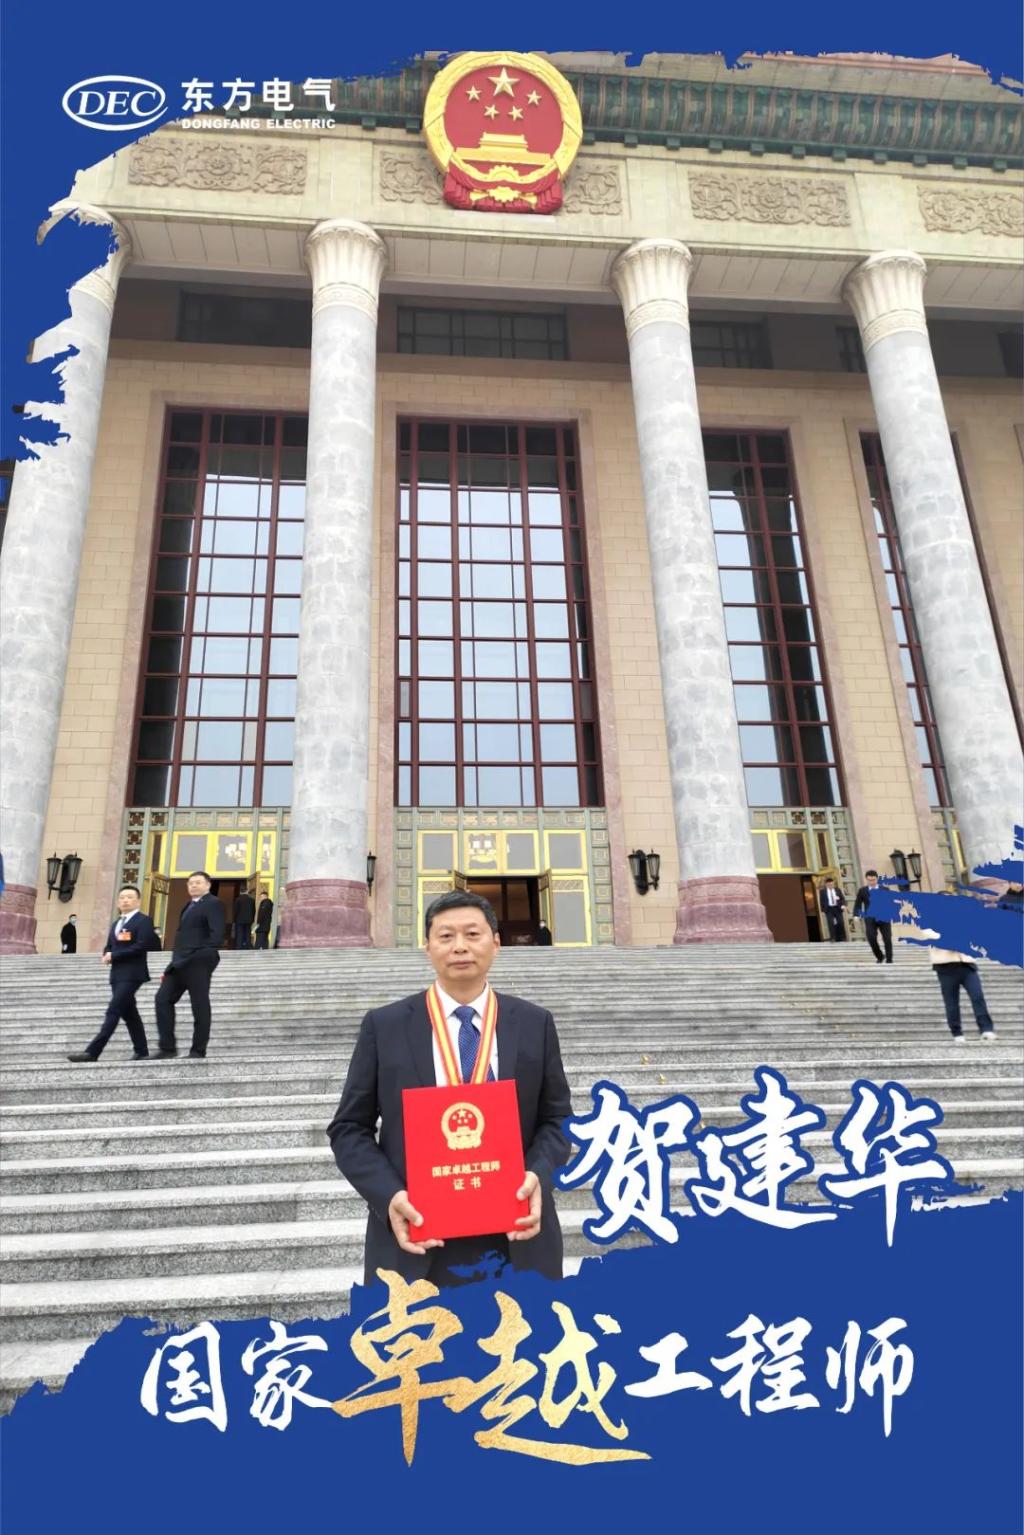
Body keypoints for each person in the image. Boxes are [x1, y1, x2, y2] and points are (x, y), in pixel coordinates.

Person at [327, 889, 572, 1289]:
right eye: (446, 936)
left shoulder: (533, 1023)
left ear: (496, 943)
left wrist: (537, 1174)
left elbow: (557, 1119)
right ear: (428, 946)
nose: (460, 946)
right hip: (417, 1238)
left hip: (516, 1239)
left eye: (472, 934)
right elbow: (349, 1128)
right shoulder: (385, 1026)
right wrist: (390, 1196)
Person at [67, 885, 157, 1062]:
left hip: (133, 973)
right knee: (130, 1014)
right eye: (122, 897)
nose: (125, 900)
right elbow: (110, 945)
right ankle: (142, 1051)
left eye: (129, 897)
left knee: (114, 1010)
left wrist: (114, 955)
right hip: (117, 974)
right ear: (117, 902)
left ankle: (93, 1052)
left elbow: (142, 945)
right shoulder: (117, 923)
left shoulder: (143, 920)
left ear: (138, 901)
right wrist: (106, 954)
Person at [150, 871, 226, 1060]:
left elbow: (216, 934)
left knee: (199, 1004)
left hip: (198, 960)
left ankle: (198, 1050)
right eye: (190, 883)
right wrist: (172, 964)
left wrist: (201, 954)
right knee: (162, 999)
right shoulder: (188, 906)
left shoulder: (213, 903)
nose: (193, 885)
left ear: (208, 885)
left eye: (198, 882)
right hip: (179, 962)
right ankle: (167, 1048)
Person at [930, 946, 998, 1042]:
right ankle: (957, 1033)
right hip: (945, 965)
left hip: (967, 963)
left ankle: (986, 1029)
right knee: (951, 1002)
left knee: (977, 996)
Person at [853, 869, 893, 963]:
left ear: (877, 879)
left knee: (887, 938)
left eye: (873, 880)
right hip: (870, 918)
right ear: (866, 880)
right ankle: (880, 956)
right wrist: (856, 915)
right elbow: (858, 904)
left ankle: (889, 959)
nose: (872, 882)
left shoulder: (885, 889)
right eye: (869, 880)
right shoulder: (862, 891)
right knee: (871, 937)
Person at [818, 877, 847, 941]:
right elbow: (821, 901)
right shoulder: (823, 892)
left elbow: (842, 898)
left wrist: (843, 905)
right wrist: (823, 910)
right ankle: (833, 938)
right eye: (829, 885)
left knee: (840, 922)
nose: (831, 886)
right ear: (826, 884)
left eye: (832, 884)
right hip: (829, 909)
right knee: (830, 923)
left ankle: (842, 937)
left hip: (837, 908)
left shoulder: (837, 890)